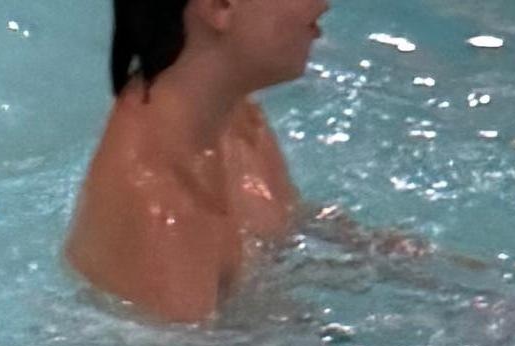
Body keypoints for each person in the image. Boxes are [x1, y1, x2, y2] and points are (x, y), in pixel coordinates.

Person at [66, 0, 351, 324]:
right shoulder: (163, 212)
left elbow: (292, 230)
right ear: (220, 6)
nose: (326, 4)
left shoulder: (233, 119)